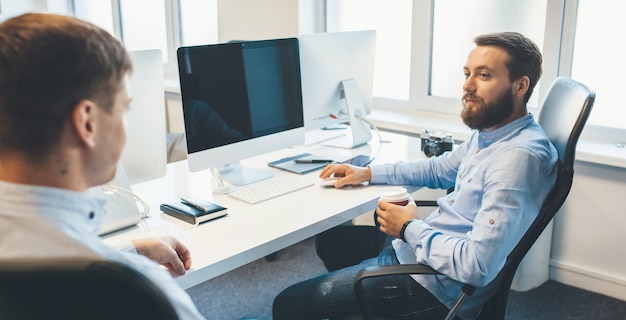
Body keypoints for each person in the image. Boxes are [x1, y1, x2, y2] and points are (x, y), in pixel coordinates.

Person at [273, 32, 558, 320]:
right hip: (422, 249)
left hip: (433, 287)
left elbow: (478, 267)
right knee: (332, 241)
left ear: (520, 85)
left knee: (287, 304)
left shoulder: (517, 159)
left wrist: (408, 226)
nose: (467, 85)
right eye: (467, 73)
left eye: (483, 75)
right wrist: (368, 172)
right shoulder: (493, 133)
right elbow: (438, 169)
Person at [0, 13, 204, 319]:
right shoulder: (138, 292)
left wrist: (129, 249)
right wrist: (121, 263)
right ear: (87, 123)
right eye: (125, 110)